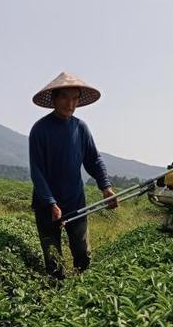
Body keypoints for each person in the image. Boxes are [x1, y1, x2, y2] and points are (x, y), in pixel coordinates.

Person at [30, 72, 118, 280]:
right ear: (54, 99)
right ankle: (55, 296)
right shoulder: (40, 130)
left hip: (75, 202)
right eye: (65, 98)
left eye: (75, 99)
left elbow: (94, 160)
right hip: (46, 205)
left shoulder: (81, 128)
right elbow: (37, 171)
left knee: (82, 255)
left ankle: (80, 295)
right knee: (53, 260)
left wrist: (105, 187)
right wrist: (51, 202)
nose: (71, 104)